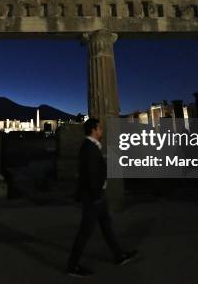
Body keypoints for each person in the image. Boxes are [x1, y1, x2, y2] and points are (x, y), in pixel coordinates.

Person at [66, 118, 138, 278]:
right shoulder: (89, 148)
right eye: (100, 128)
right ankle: (72, 266)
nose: (102, 131)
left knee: (106, 227)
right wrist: (96, 195)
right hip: (94, 197)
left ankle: (119, 256)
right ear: (93, 130)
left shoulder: (91, 147)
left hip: (97, 196)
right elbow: (91, 175)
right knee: (84, 232)